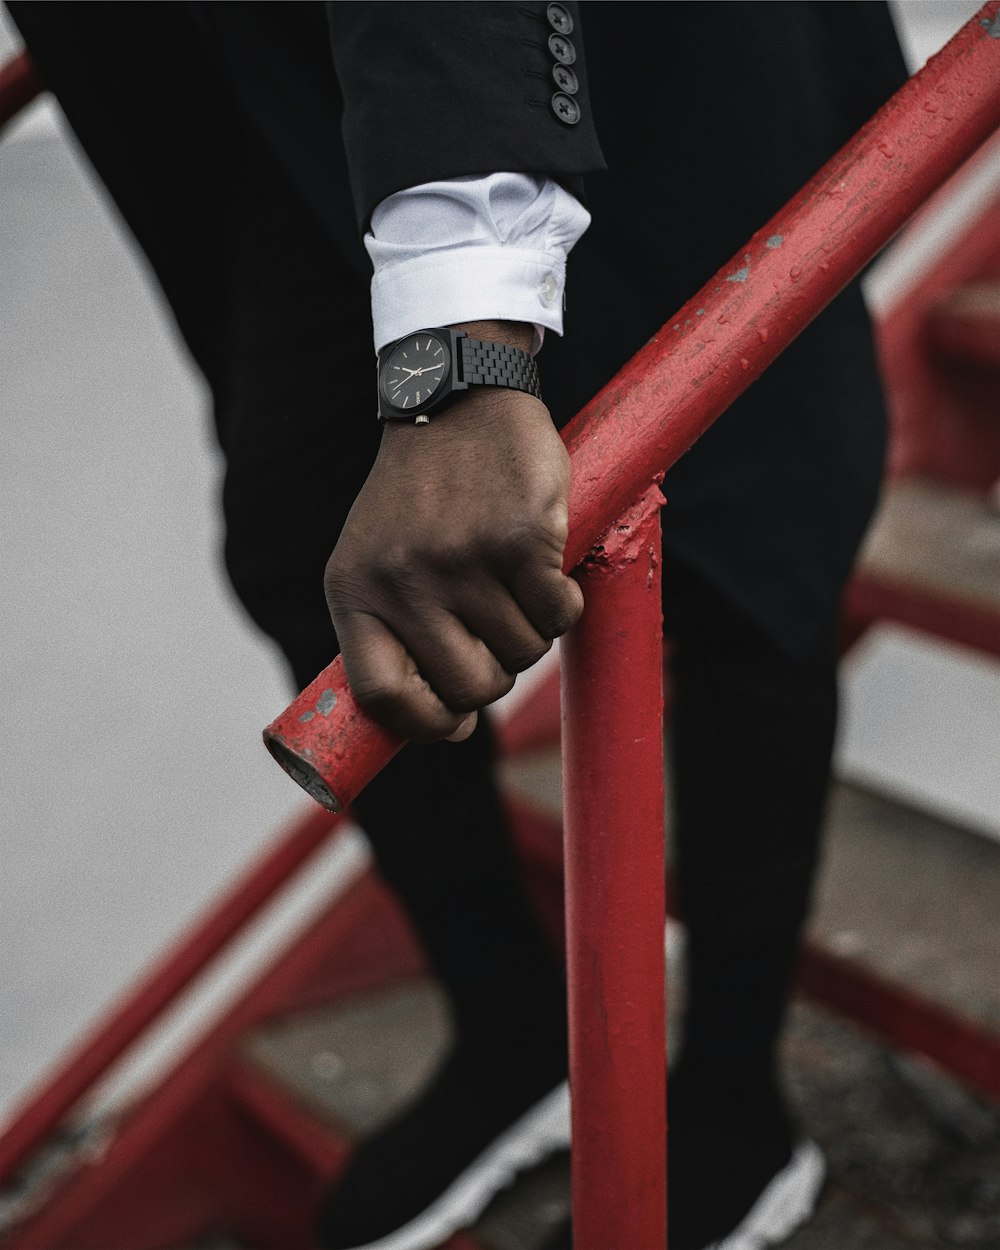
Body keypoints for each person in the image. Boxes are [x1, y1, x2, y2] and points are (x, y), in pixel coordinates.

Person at [7, 3, 908, 1247]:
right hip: (249, 65)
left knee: (747, 519)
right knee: (297, 530)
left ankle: (735, 1085)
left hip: (641, 42)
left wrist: (463, 354)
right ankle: (511, 1021)